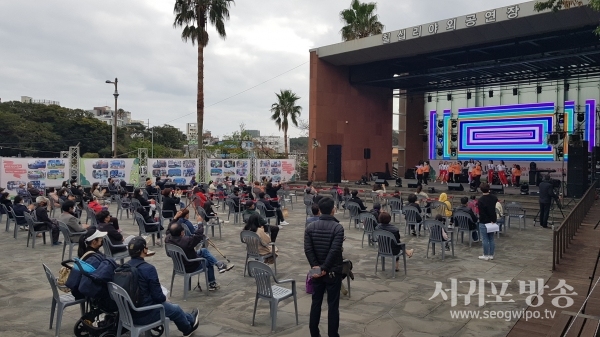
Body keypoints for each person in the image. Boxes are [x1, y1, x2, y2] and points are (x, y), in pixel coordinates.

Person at [126, 236, 200, 336]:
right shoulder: (148, 269)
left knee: (171, 306)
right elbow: (158, 296)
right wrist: (164, 298)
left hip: (128, 313)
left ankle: (190, 318)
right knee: (175, 308)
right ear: (144, 250)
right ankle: (187, 329)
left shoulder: (124, 267)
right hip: (145, 313)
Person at [304, 197, 344, 337]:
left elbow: (308, 250)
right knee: (333, 305)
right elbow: (334, 250)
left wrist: (317, 268)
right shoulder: (338, 228)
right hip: (332, 270)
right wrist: (325, 268)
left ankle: (314, 333)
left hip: (316, 269)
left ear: (319, 210)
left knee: (316, 302)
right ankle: (333, 334)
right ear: (333, 210)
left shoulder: (310, 227)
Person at [165, 220, 231, 290]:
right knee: (208, 262)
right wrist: (200, 223)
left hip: (179, 264)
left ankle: (219, 264)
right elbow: (198, 236)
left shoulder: (168, 238)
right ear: (181, 233)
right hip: (190, 264)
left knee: (204, 251)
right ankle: (212, 284)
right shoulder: (186, 241)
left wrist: (175, 218)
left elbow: (169, 229)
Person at [477, 183, 498, 260]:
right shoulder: (494, 198)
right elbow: (493, 210)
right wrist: (493, 220)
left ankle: (486, 255)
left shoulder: (481, 200)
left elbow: (482, 213)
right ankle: (491, 255)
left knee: (485, 239)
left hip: (484, 221)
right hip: (492, 221)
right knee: (491, 238)